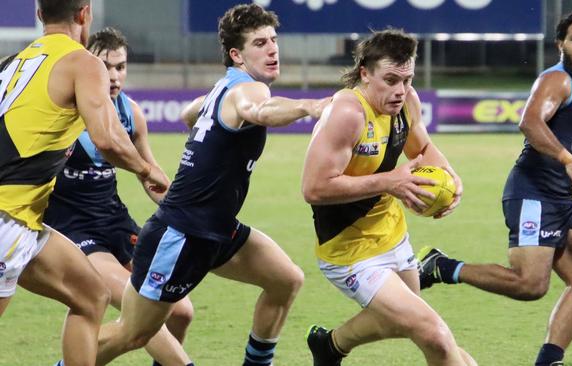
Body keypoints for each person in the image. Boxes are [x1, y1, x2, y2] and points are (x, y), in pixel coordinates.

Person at [94, 4, 329, 366]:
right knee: (133, 333)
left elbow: (189, 113)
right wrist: (307, 107)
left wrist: (205, 120)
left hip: (217, 230)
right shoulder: (249, 90)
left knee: (286, 280)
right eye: (260, 43)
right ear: (237, 55)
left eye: (273, 40)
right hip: (181, 234)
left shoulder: (227, 86)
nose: (272, 49)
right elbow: (260, 112)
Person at [419, 10, 572, 366]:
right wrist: (569, 162)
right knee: (530, 285)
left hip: (559, 199)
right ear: (560, 45)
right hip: (533, 192)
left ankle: (549, 361)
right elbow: (530, 123)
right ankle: (442, 266)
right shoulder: (557, 80)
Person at [0, 1, 168, 365]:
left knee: (91, 294)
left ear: (40, 14)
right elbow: (107, 138)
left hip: (24, 222)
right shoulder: (82, 62)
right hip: (6, 220)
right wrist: (145, 169)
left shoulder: (15, 63)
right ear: (84, 13)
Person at [301, 29, 476, 366]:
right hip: (348, 251)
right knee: (435, 335)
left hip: (393, 235)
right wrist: (390, 182)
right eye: (391, 80)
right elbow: (314, 188)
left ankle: (330, 346)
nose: (400, 90)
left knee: (407, 323)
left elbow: (421, 147)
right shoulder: (347, 113)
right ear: (365, 73)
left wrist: (450, 181)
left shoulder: (407, 102)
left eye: (407, 80)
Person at [42, 27, 194, 366]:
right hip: (73, 230)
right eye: (105, 66)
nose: (113, 76)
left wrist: (186, 212)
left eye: (120, 67)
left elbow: (151, 175)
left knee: (181, 311)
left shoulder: (131, 113)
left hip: (114, 220)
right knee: (137, 309)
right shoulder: (63, 113)